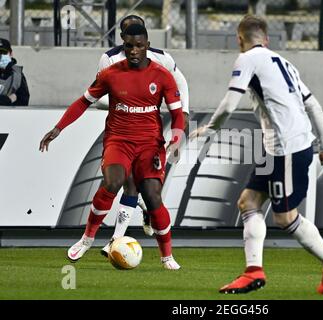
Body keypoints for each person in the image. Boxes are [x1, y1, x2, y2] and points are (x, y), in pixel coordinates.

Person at [190, 15, 323, 294]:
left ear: (240, 40)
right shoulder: (284, 63)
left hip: (286, 148)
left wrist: (210, 128)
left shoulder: (247, 59)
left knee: (285, 218)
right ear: (267, 39)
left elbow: (229, 102)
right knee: (248, 202)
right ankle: (253, 272)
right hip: (280, 148)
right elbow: (315, 106)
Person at [39, 24, 185, 270]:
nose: (134, 51)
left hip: (150, 144)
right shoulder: (111, 74)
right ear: (123, 45)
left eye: (139, 46)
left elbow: (178, 114)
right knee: (113, 182)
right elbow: (83, 102)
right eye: (129, 46)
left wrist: (177, 139)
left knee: (152, 196)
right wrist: (58, 127)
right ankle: (87, 239)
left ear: (147, 46)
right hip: (118, 140)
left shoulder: (162, 76)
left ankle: (167, 256)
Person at [97, 15, 190, 260]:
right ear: (122, 37)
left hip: (149, 130)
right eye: (129, 36)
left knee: (134, 185)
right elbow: (100, 95)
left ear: (146, 38)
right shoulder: (109, 59)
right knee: (125, 183)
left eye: (139, 38)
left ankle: (115, 241)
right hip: (120, 130)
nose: (134, 45)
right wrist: (122, 102)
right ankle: (123, 232)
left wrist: (184, 116)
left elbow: (181, 83)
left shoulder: (162, 58)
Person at [0, 38, 30, 106]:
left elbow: (24, 101)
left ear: (11, 54)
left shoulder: (18, 75)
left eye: (4, 52)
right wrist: (9, 99)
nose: (1, 56)